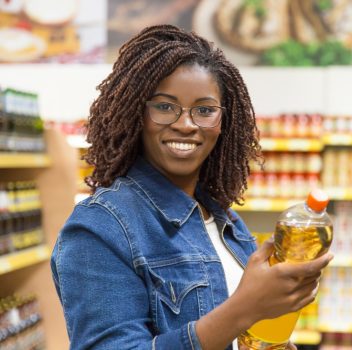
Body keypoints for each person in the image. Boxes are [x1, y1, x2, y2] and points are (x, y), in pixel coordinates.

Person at [51, 24, 333, 350]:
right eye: (165, 106)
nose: (185, 124)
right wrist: (243, 310)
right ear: (136, 114)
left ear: (223, 121)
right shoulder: (99, 227)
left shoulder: (228, 225)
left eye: (204, 110)